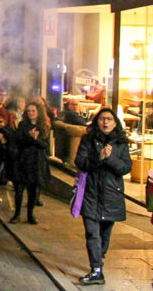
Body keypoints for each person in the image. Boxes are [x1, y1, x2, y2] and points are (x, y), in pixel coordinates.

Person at [74, 108, 132, 285]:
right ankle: (96, 270)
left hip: (111, 196)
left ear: (115, 122)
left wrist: (110, 159)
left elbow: (125, 168)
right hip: (91, 194)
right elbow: (80, 162)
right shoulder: (88, 139)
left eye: (109, 119)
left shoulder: (121, 143)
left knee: (104, 235)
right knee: (92, 233)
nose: (105, 122)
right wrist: (98, 158)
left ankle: (99, 261)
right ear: (96, 121)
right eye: (101, 118)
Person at [10, 102, 51, 225]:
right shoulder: (23, 125)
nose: (31, 113)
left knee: (33, 189)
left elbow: (45, 146)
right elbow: (18, 140)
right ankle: (17, 214)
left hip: (36, 161)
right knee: (19, 188)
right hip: (23, 160)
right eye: (28, 111)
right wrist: (29, 137)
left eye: (33, 111)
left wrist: (35, 139)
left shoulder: (44, 127)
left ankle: (30, 214)